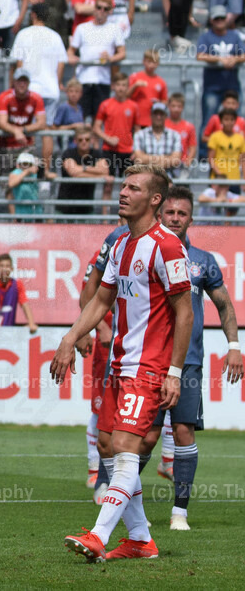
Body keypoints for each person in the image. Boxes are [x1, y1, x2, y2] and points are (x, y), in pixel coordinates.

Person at [53, 164, 192, 563]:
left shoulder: (167, 246)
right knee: (110, 448)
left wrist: (175, 372)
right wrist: (69, 336)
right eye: (123, 186)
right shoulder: (120, 245)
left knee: (127, 447)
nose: (123, 193)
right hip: (120, 365)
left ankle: (99, 534)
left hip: (149, 368)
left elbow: (185, 313)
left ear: (154, 200)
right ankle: (140, 538)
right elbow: (100, 300)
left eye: (133, 188)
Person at [135, 187, 243, 531]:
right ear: (160, 215)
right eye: (170, 213)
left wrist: (234, 346)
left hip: (190, 363)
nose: (176, 218)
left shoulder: (202, 261)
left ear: (191, 218)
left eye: (182, 213)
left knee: (184, 432)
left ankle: (179, 512)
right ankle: (122, 501)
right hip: (150, 359)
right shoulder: (146, 255)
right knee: (147, 437)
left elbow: (224, 305)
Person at [69, 0, 125, 124]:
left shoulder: (115, 29)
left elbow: (122, 53)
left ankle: (95, 144)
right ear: (94, 9)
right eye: (99, 7)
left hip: (103, 80)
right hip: (83, 78)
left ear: (110, 11)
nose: (102, 11)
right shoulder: (82, 28)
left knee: (98, 120)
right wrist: (71, 58)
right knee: (80, 117)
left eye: (106, 9)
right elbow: (70, 51)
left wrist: (111, 58)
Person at [12, 2, 66, 125]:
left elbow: (19, 64)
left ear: (33, 15)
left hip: (30, 90)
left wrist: (16, 85)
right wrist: (56, 84)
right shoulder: (55, 36)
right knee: (47, 129)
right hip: (50, 89)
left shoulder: (23, 34)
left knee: (29, 127)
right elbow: (61, 64)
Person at [196, 7, 245, 135]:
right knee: (208, 122)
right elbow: (200, 55)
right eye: (216, 18)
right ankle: (203, 154)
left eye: (222, 18)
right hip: (212, 87)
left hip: (232, 87)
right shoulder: (206, 37)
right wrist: (220, 59)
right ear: (211, 20)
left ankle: (240, 154)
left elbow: (244, 54)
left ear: (226, 19)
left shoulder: (234, 36)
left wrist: (235, 59)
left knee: (238, 123)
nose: (219, 21)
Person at [93, 73, 138, 198]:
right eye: (118, 85)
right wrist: (108, 138)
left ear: (127, 87)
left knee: (127, 186)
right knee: (108, 184)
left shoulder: (133, 106)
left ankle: (124, 217)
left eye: (124, 85)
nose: (121, 88)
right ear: (113, 86)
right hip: (109, 150)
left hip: (127, 150)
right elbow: (96, 127)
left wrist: (136, 149)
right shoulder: (106, 104)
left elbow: (137, 130)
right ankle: (105, 218)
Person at [0, 68, 47, 174]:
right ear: (14, 82)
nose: (22, 84)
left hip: (26, 145)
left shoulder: (36, 98)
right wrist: (16, 131)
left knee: (29, 179)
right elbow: (1, 122)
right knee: (7, 183)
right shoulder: (5, 97)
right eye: (19, 81)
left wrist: (22, 129)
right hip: (6, 145)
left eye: (25, 81)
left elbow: (42, 123)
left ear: (29, 83)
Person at [0, 253, 38, 332]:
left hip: (9, 332)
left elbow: (25, 304)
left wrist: (31, 324)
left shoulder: (17, 284)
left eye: (7, 266)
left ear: (12, 269)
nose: (4, 269)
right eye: (2, 266)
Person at [59, 126, 111, 215]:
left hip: (87, 208)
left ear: (91, 140)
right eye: (80, 140)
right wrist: (98, 175)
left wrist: (82, 168)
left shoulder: (97, 153)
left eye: (87, 139)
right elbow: (74, 173)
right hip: (65, 208)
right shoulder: (68, 153)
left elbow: (105, 171)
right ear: (75, 141)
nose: (84, 142)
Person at [132, 102, 183, 177]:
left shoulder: (175, 135)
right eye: (156, 114)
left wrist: (148, 159)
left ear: (166, 116)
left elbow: (175, 160)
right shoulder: (140, 135)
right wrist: (165, 158)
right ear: (151, 115)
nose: (158, 117)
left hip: (168, 177)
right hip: (145, 176)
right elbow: (139, 158)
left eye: (161, 114)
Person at [128, 50, 167, 130]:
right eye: (149, 62)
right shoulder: (135, 77)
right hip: (134, 120)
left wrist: (158, 103)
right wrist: (135, 86)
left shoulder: (161, 81)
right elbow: (125, 96)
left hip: (151, 121)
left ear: (158, 63)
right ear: (143, 61)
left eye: (154, 62)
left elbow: (165, 101)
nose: (151, 65)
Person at [207, 107, 245, 181]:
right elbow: (211, 159)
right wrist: (219, 174)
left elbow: (243, 161)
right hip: (218, 179)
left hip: (235, 179)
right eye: (226, 119)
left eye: (232, 119)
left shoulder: (240, 138)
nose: (229, 122)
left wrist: (244, 178)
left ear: (235, 121)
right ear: (221, 121)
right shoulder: (215, 137)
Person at [165, 93, 197, 172]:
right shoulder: (163, 124)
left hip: (182, 164)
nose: (176, 109)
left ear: (183, 107)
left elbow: (192, 146)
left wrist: (188, 161)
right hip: (165, 163)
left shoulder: (189, 126)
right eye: (173, 106)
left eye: (179, 106)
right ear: (169, 106)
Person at [7, 150, 43, 215]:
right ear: (18, 165)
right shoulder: (15, 173)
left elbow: (51, 176)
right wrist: (26, 172)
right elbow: (11, 184)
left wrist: (41, 170)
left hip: (35, 210)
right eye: (24, 164)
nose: (26, 166)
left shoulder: (35, 173)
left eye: (29, 164)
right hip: (21, 210)